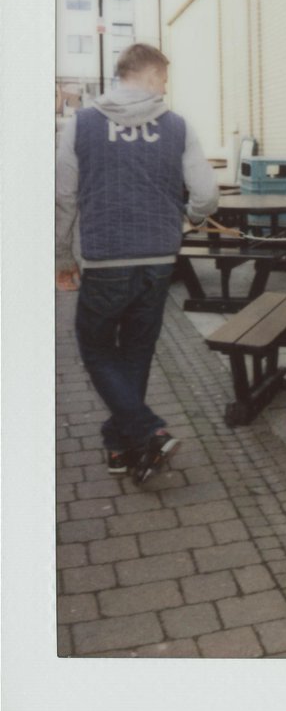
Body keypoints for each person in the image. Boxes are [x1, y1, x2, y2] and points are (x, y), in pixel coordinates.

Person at [56, 43, 219, 483]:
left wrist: (61, 255)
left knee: (94, 346)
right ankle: (123, 446)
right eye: (163, 78)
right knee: (135, 352)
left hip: (105, 259)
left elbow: (63, 196)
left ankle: (145, 431)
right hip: (158, 259)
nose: (165, 87)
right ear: (148, 75)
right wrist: (191, 218)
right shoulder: (178, 127)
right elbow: (206, 194)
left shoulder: (80, 124)